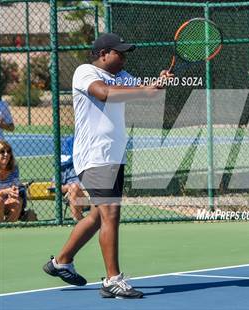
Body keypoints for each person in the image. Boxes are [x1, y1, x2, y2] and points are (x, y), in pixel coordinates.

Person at [42, 33, 172, 299]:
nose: (124, 58)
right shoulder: (85, 72)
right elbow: (103, 93)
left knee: (99, 215)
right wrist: (145, 89)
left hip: (114, 155)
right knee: (111, 213)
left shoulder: (123, 76)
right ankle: (112, 280)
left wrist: (158, 83)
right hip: (94, 156)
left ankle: (61, 261)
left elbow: (146, 92)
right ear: (103, 54)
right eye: (119, 53)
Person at [0, 140, 22, 222]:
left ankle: (7, 227)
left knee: (17, 202)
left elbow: (14, 185)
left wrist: (14, 192)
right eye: (2, 152)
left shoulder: (14, 168)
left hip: (7, 200)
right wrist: (5, 192)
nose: (6, 154)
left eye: (8, 151)